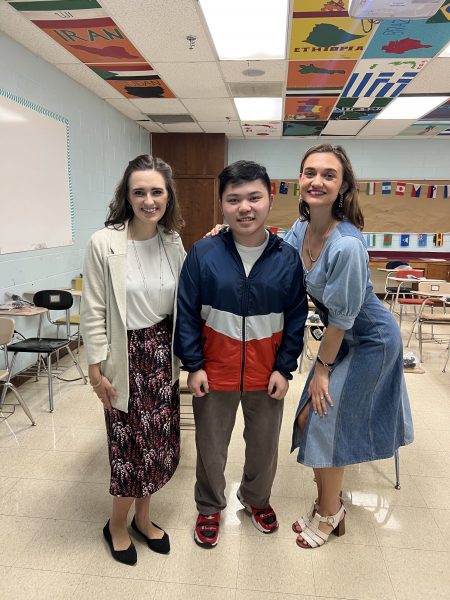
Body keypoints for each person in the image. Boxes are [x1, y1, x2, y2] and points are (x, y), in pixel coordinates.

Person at [284, 144, 414, 549]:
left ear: (343, 187)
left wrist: (321, 370)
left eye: (328, 174)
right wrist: (229, 235)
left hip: (371, 341)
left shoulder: (347, 245)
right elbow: (275, 259)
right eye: (309, 172)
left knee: (325, 416)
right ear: (300, 180)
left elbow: (341, 318)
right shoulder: (299, 230)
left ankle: (329, 513)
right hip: (341, 339)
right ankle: (331, 504)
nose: (316, 181)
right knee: (307, 418)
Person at [174, 160, 308, 549]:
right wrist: (193, 366)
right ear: (222, 204)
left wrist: (285, 368)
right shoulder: (202, 253)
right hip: (213, 373)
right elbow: (186, 311)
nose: (244, 208)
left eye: (254, 197)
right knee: (211, 448)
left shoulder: (286, 258)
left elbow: (297, 317)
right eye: (234, 199)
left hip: (267, 374)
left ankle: (256, 500)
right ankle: (210, 506)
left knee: (264, 447)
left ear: (269, 200)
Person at [80, 155, 185, 565]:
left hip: (161, 356)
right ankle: (116, 524)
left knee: (156, 444)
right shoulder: (103, 243)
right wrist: (94, 367)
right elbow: (92, 310)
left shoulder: (172, 241)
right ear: (126, 196)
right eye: (139, 191)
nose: (148, 200)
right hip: (123, 357)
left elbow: (184, 303)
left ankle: (144, 517)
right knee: (126, 447)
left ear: (167, 196)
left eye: (156, 191)